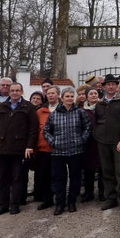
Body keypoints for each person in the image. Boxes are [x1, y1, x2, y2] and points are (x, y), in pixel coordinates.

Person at [0, 82, 38, 216]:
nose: (14, 93)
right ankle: (2, 205)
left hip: (19, 150)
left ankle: (14, 205)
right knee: (2, 178)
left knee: (17, 178)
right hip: (1, 149)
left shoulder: (28, 107)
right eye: (12, 90)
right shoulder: (1, 107)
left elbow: (33, 129)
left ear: (22, 92)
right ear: (9, 92)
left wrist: (29, 146)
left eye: (17, 90)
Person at [43, 87, 91, 215]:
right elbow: (46, 131)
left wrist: (82, 139)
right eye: (67, 96)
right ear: (62, 98)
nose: (69, 99)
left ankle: (71, 202)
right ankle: (60, 204)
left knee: (75, 178)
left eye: (71, 96)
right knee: (59, 179)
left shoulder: (80, 112)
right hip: (58, 152)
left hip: (76, 151)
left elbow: (87, 127)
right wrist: (53, 142)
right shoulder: (54, 114)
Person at [93, 74, 120, 213]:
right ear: (103, 87)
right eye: (108, 84)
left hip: (119, 142)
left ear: (117, 86)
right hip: (102, 142)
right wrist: (97, 136)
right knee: (107, 172)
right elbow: (96, 122)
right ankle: (110, 198)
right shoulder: (100, 103)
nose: (110, 86)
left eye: (113, 84)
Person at [30, 91, 54, 210]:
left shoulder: (63, 109)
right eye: (49, 94)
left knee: (58, 175)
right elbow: (34, 130)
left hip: (59, 148)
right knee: (43, 175)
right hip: (43, 148)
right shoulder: (40, 112)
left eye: (53, 93)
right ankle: (46, 199)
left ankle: (60, 197)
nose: (51, 95)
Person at [82, 87, 104, 202]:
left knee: (102, 168)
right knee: (88, 169)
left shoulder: (103, 107)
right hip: (88, 143)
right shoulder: (82, 110)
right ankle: (88, 192)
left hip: (101, 142)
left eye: (95, 93)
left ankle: (102, 192)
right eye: (91, 94)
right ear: (86, 97)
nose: (94, 95)